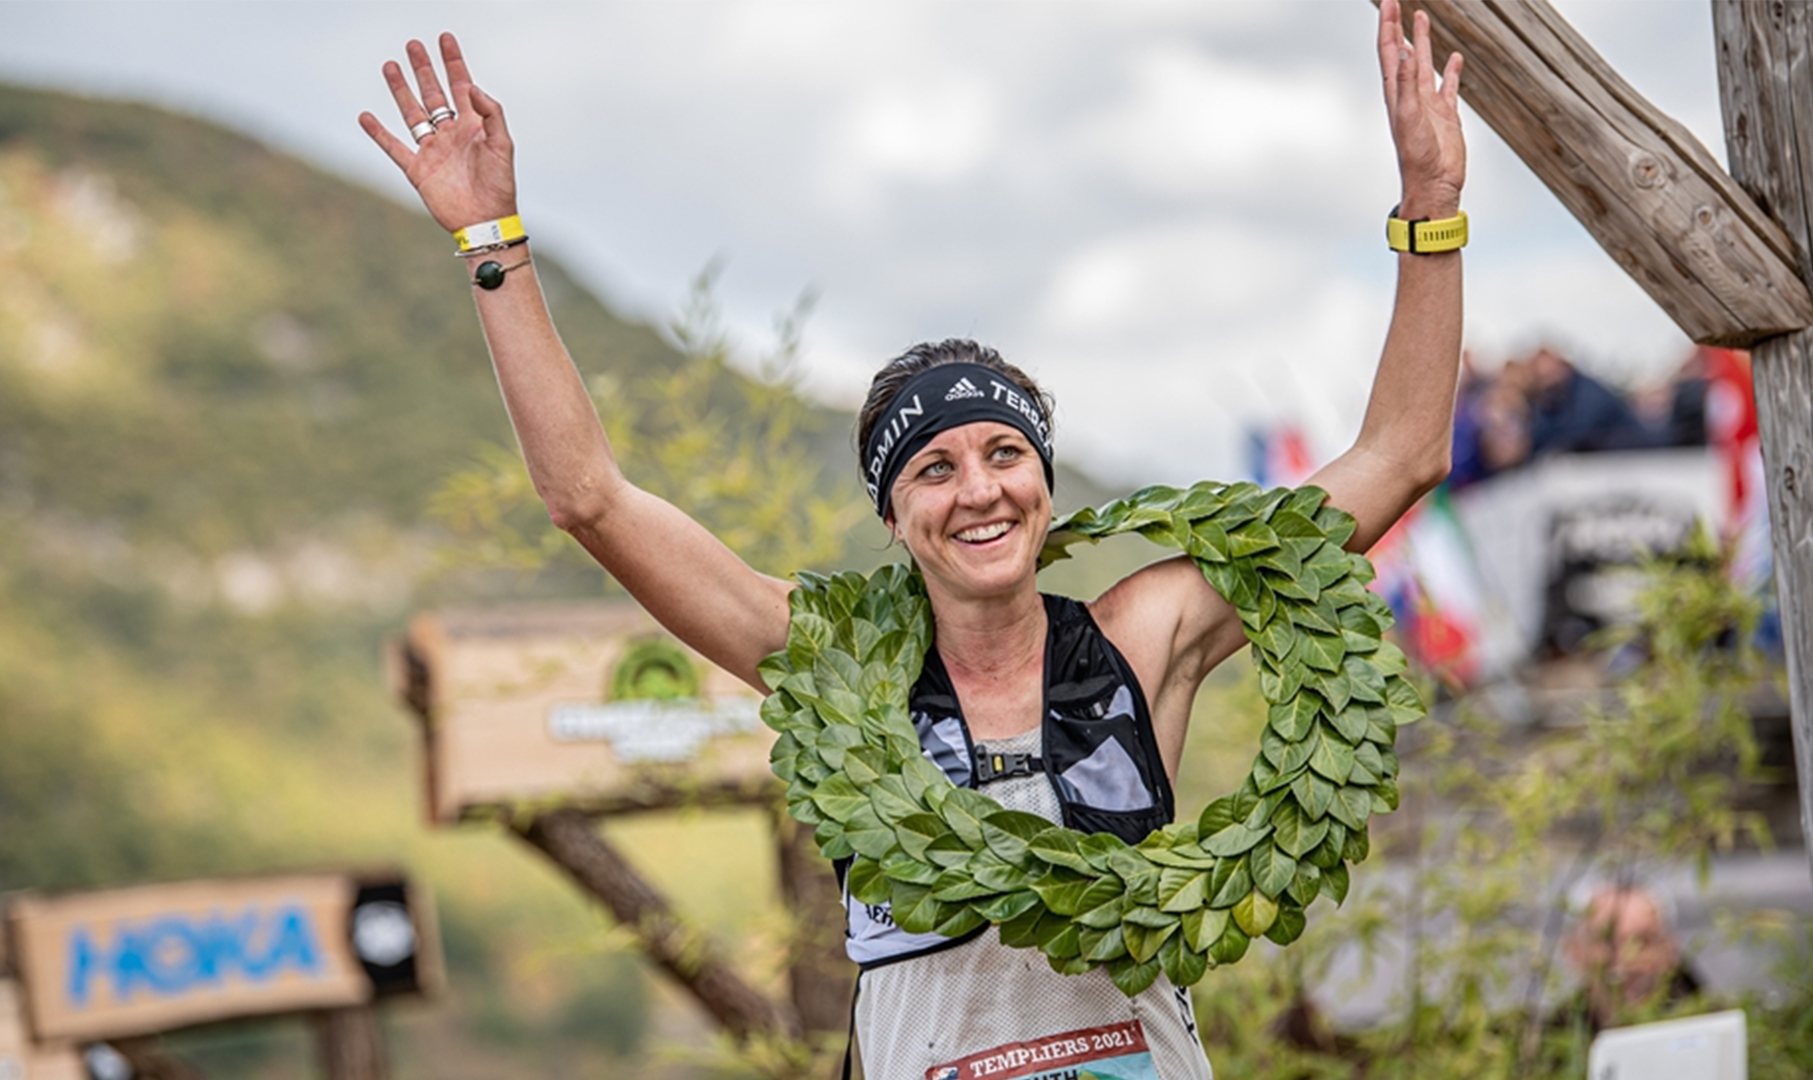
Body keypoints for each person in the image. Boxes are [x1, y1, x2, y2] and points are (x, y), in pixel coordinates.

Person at [360, 2, 1464, 1074]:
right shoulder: (831, 666)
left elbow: (1402, 453)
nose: (977, 491)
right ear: (894, 518)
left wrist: (1430, 207)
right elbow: (588, 499)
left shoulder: (1144, 635)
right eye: (933, 468)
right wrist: (491, 240)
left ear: (1043, 479)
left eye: (1004, 453)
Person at [1562, 883, 1703, 1031]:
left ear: (1670, 949)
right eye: (1609, 944)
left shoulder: (1712, 1026)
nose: (1626, 960)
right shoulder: (1547, 1041)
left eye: (1642, 942)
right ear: (1575, 951)